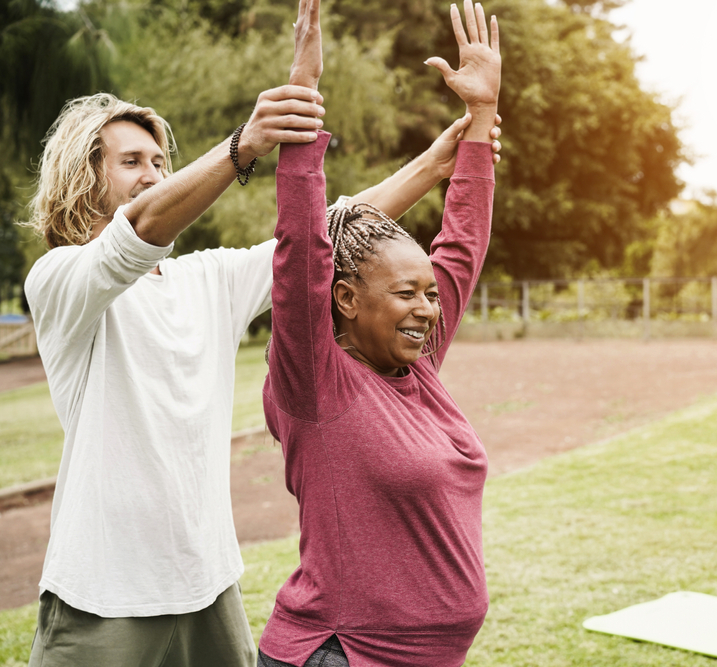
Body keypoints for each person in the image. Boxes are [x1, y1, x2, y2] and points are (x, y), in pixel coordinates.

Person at [22, 14, 499, 665]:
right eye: (132, 161)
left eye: (161, 159)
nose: (155, 172)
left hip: (209, 584)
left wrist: (438, 163)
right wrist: (247, 144)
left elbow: (327, 231)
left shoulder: (206, 278)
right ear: (83, 177)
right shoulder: (61, 282)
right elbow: (135, 232)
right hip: (106, 593)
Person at [256, 1, 501, 665]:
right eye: (405, 294)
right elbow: (299, 252)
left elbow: (462, 246)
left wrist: (480, 119)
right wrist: (302, 102)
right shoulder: (315, 385)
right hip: (341, 654)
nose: (427, 308)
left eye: (427, 294)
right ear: (345, 299)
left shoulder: (415, 366)